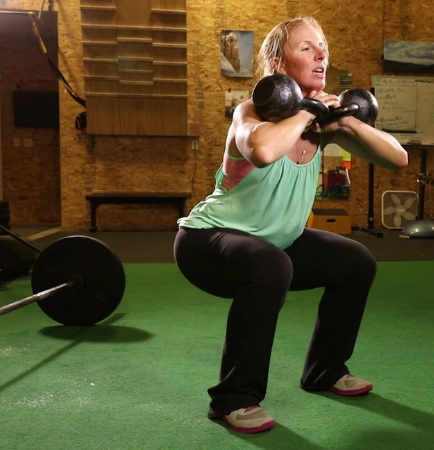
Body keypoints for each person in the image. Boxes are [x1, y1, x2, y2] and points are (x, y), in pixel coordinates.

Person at [173, 16, 408, 434]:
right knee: (269, 264)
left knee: (355, 261)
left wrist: (348, 119)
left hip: (276, 244)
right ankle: (235, 398)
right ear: (280, 66)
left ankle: (325, 370)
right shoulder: (250, 112)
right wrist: (307, 112)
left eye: (324, 48)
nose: (321, 55)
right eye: (307, 48)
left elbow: (397, 158)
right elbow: (262, 151)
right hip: (207, 243)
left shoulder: (324, 127)